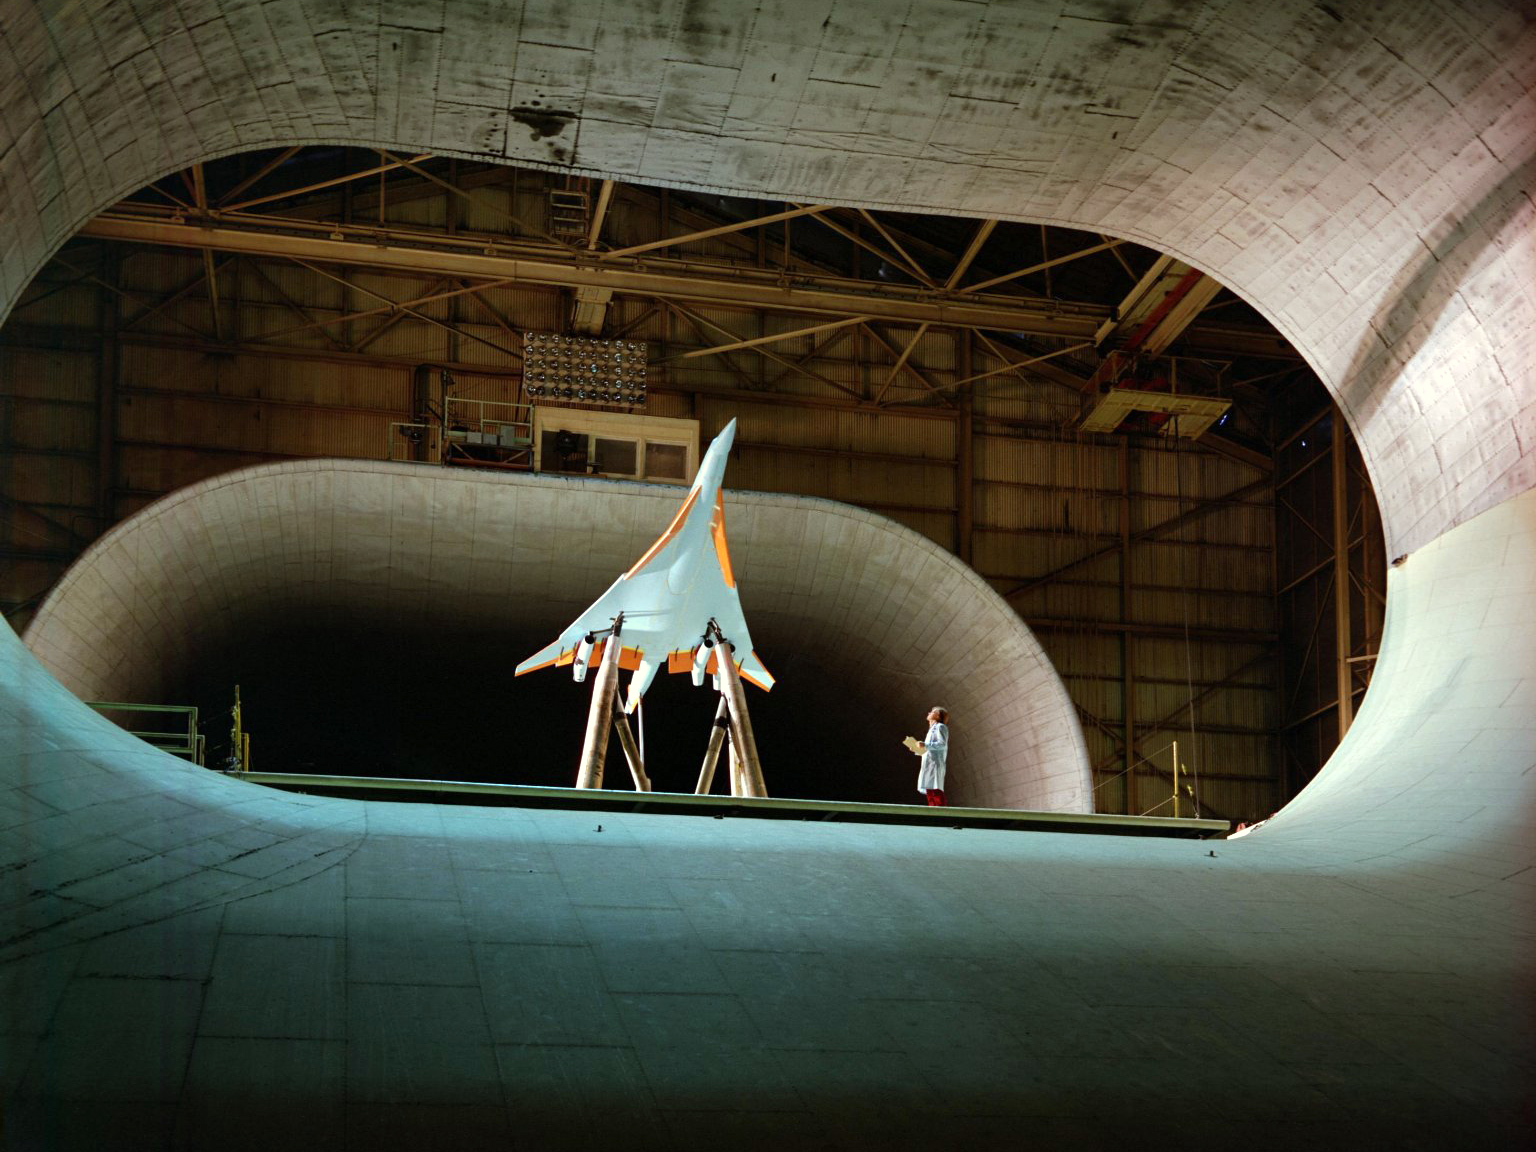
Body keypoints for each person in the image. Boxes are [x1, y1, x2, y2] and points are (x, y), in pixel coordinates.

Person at [914, 706, 949, 806]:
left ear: (938, 716)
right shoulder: (931, 729)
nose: (929, 712)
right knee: (929, 790)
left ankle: (943, 815)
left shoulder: (941, 727)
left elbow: (942, 744)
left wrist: (925, 744)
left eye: (932, 712)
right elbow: (930, 748)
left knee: (935, 789)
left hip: (935, 764)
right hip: (928, 763)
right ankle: (933, 814)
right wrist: (917, 749)